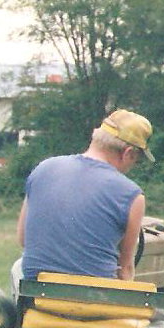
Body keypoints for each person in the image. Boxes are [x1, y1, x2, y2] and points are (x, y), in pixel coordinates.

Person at [16, 109, 154, 284]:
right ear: (128, 153)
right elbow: (124, 269)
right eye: (137, 160)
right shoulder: (132, 195)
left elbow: (23, 239)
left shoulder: (43, 169)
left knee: (17, 268)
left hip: (39, 296)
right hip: (95, 300)